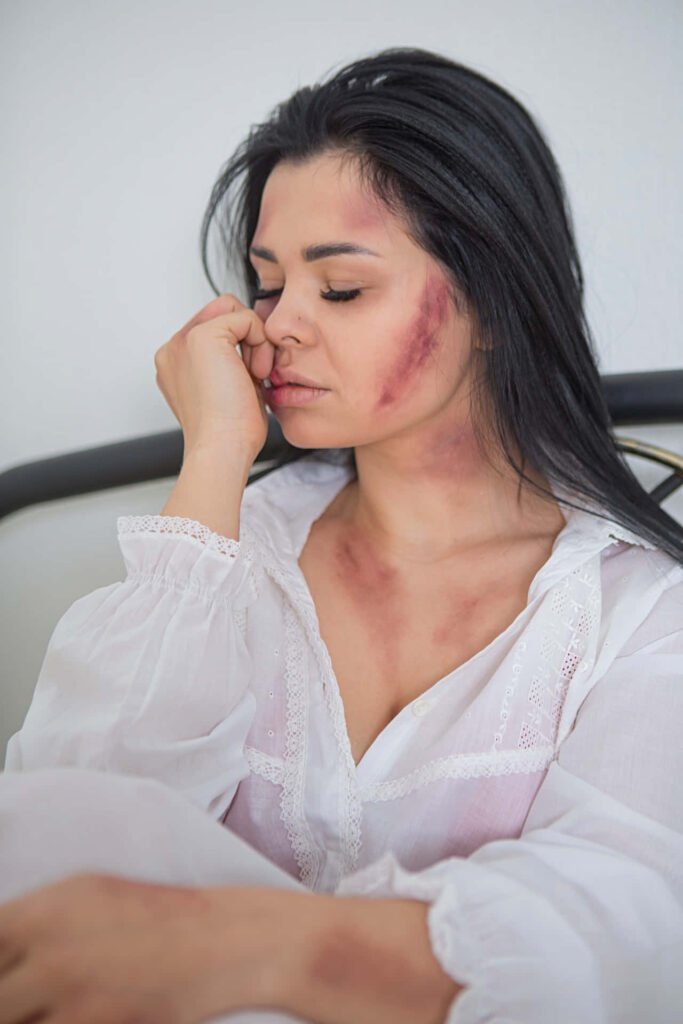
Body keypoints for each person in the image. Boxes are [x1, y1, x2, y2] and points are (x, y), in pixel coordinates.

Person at [1, 45, 682, 1024]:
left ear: (494, 302)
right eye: (266, 283)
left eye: (340, 288)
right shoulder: (227, 549)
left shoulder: (634, 610)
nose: (278, 325)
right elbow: (62, 835)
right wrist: (214, 457)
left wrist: (248, 950)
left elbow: (621, 931)